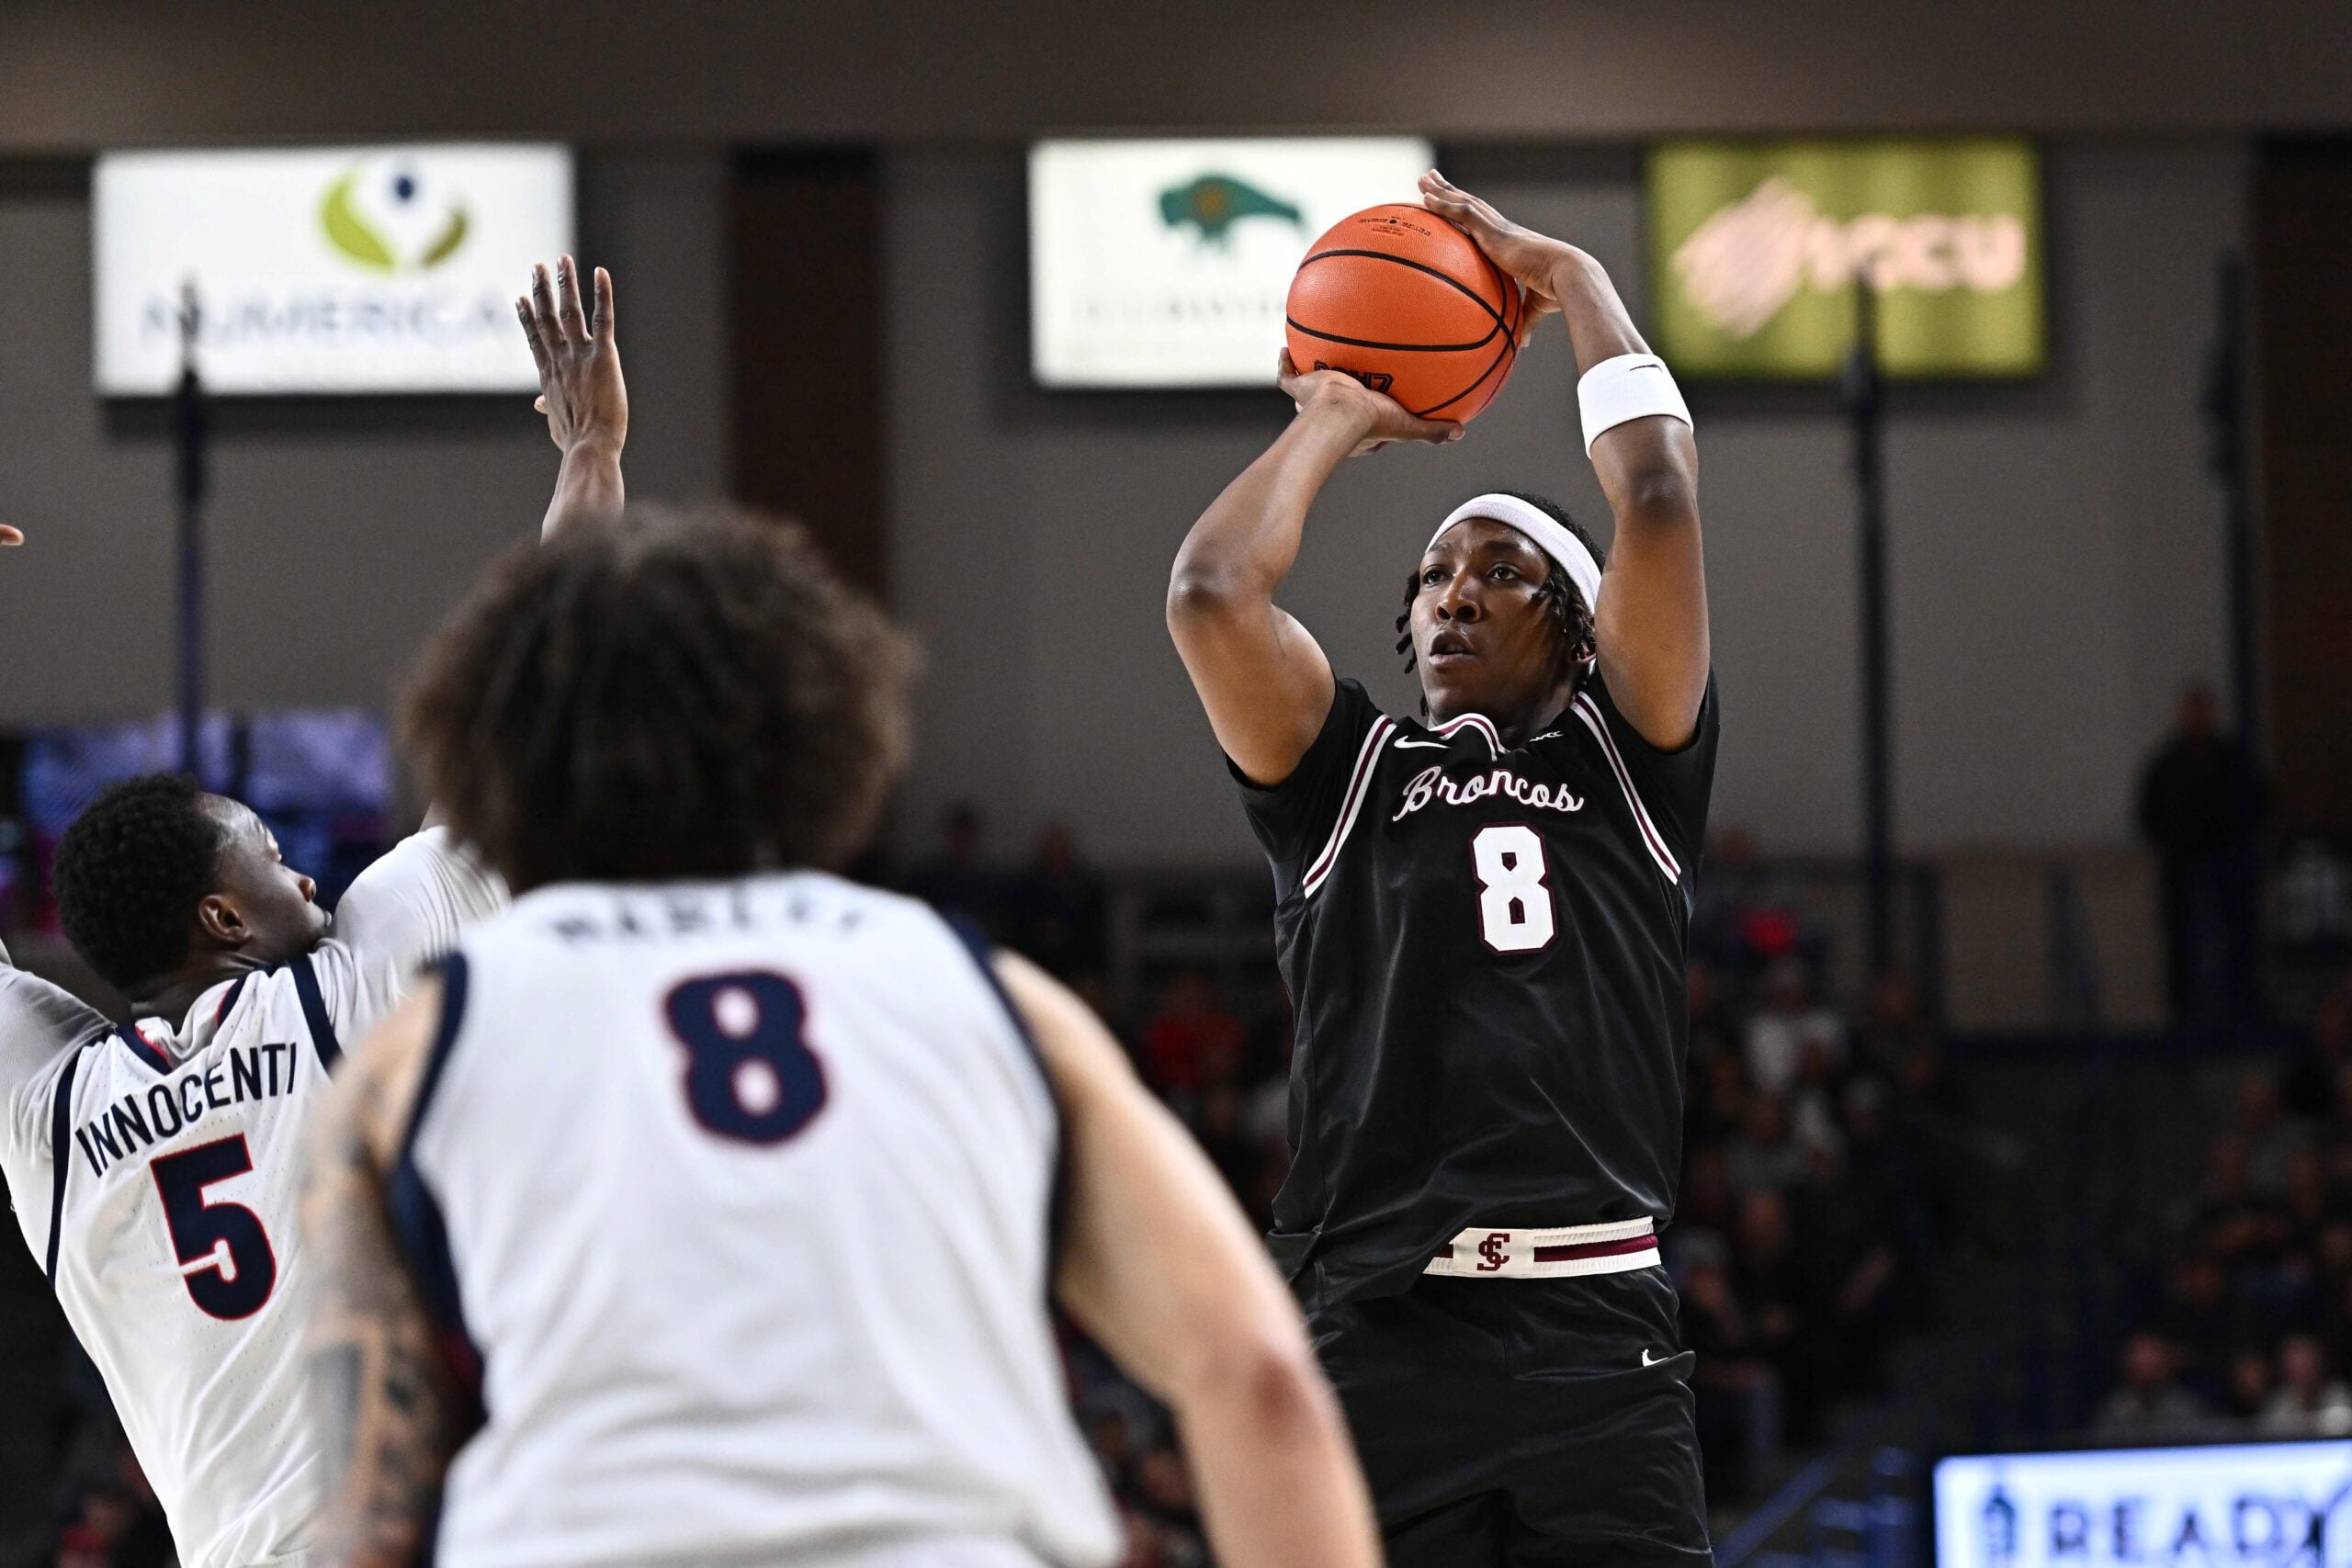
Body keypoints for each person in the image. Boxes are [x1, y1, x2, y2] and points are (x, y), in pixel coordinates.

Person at [301, 506, 1381, 1568]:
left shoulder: (415, 1051)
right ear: (820, 726)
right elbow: (1260, 1380)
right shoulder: (985, 996)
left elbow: (371, 1522)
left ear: (496, 750)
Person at [0, 255, 627, 1568]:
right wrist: (592, 458)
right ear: (226, 920)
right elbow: (543, 691)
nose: (311, 883)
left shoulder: (47, 1111)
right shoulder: (350, 982)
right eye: (278, 859)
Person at [1167, 169, 1715, 1563]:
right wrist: (1334, 420)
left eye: (1503, 571)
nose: (1456, 590)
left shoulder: (1631, 758)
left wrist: (1575, 279)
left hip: (1600, 1340)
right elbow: (1213, 594)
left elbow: (1654, 497)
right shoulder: (1342, 774)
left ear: (1581, 629)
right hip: (1381, 1323)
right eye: (1430, 577)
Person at [2136, 682, 2266, 1025]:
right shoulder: (2167, 763)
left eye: (2202, 710)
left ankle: (2242, 1009)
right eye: (2192, 710)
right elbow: (2148, 814)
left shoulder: (2230, 760)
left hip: (2227, 864)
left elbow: (2259, 803)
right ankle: (2183, 1016)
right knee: (2182, 943)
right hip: (2183, 865)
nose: (2197, 717)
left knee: (2235, 939)